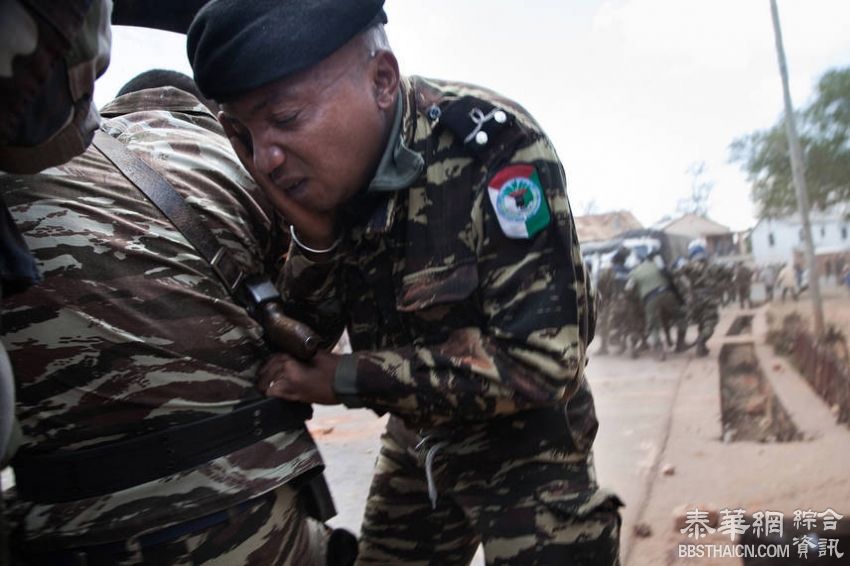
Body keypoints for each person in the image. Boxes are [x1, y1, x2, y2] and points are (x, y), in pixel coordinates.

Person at [187, 1, 622, 564]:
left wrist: (346, 378)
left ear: (383, 82)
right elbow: (301, 335)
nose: (265, 158)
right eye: (244, 132)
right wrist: (316, 239)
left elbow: (543, 362)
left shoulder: (492, 149)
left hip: (526, 442)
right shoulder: (308, 176)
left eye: (287, 118)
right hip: (420, 439)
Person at [1, 72, 351, 565]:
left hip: (60, 532)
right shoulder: (234, 160)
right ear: (206, 114)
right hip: (245, 518)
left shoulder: (19, 162)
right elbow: (306, 338)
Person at [626, 254, 687, 360]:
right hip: (667, 294)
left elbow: (628, 289)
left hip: (651, 299)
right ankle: (680, 344)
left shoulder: (633, 273)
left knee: (653, 326)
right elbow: (669, 275)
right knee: (680, 316)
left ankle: (659, 351)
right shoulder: (655, 264)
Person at [680, 243, 720, 357]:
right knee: (710, 324)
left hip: (693, 300)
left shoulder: (687, 266)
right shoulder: (711, 267)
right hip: (708, 298)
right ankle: (700, 341)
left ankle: (702, 348)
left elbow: (676, 274)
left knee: (701, 322)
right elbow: (725, 274)